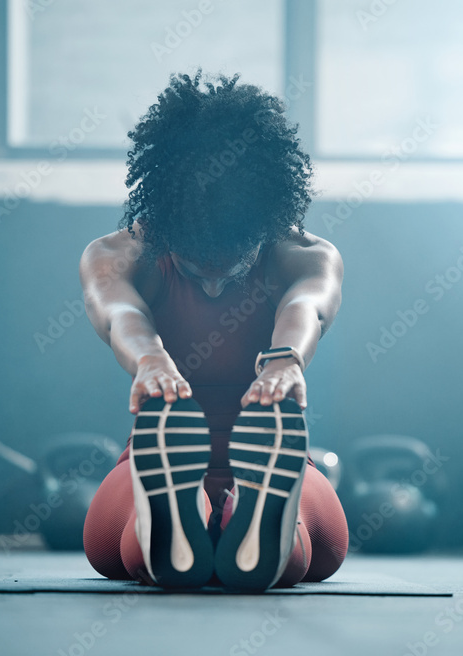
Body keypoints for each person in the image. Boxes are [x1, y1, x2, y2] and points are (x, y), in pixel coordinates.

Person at [80, 70, 348, 590]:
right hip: (160, 452)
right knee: (109, 551)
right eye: (197, 267)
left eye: (233, 267)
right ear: (167, 226)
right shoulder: (117, 255)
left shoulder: (305, 256)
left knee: (321, 552)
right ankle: (201, 517)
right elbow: (120, 314)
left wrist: (285, 360)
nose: (212, 286)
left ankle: (226, 517)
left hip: (271, 450)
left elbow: (306, 305)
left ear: (265, 228)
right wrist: (151, 358)